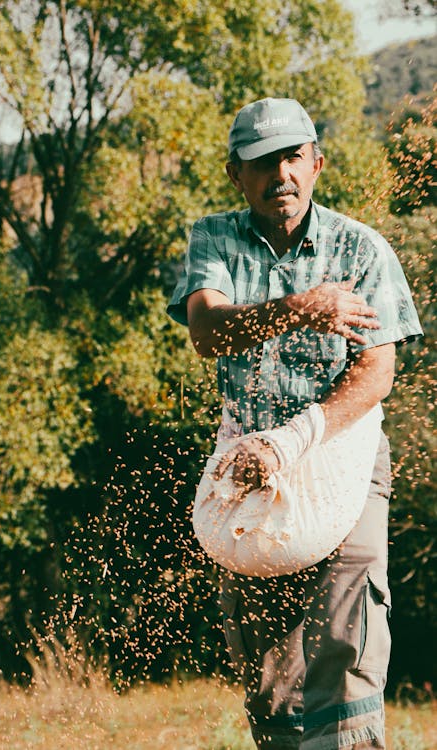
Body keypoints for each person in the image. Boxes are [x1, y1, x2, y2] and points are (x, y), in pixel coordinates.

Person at [167, 97, 423, 750]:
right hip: (250, 466)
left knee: (345, 636)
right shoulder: (214, 239)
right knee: (268, 666)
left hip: (345, 460)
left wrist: (295, 441)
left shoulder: (363, 248)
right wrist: (297, 310)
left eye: (292, 157)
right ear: (236, 175)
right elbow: (205, 330)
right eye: (261, 162)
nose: (279, 174)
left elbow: (377, 374)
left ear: (317, 163)